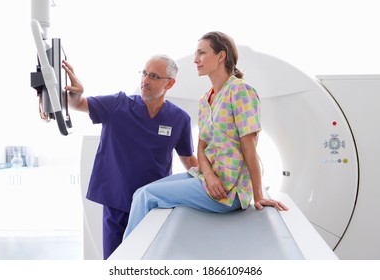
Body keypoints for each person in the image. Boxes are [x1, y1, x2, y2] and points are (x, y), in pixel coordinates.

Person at [123, 31, 288, 240]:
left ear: (221, 56)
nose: (195, 59)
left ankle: (127, 265)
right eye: (195, 53)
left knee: (147, 196)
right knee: (140, 193)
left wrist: (258, 196)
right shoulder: (206, 100)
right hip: (206, 179)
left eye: (201, 53)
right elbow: (201, 147)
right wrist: (209, 176)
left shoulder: (240, 91)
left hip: (228, 191)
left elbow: (249, 147)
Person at [62, 55, 198, 259]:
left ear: (169, 83)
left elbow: (189, 161)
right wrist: (75, 95)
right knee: (116, 262)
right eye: (144, 73)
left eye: (153, 76)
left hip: (152, 205)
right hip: (117, 202)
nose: (145, 80)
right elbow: (79, 104)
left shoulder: (179, 119)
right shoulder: (118, 105)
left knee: (147, 260)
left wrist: (212, 184)